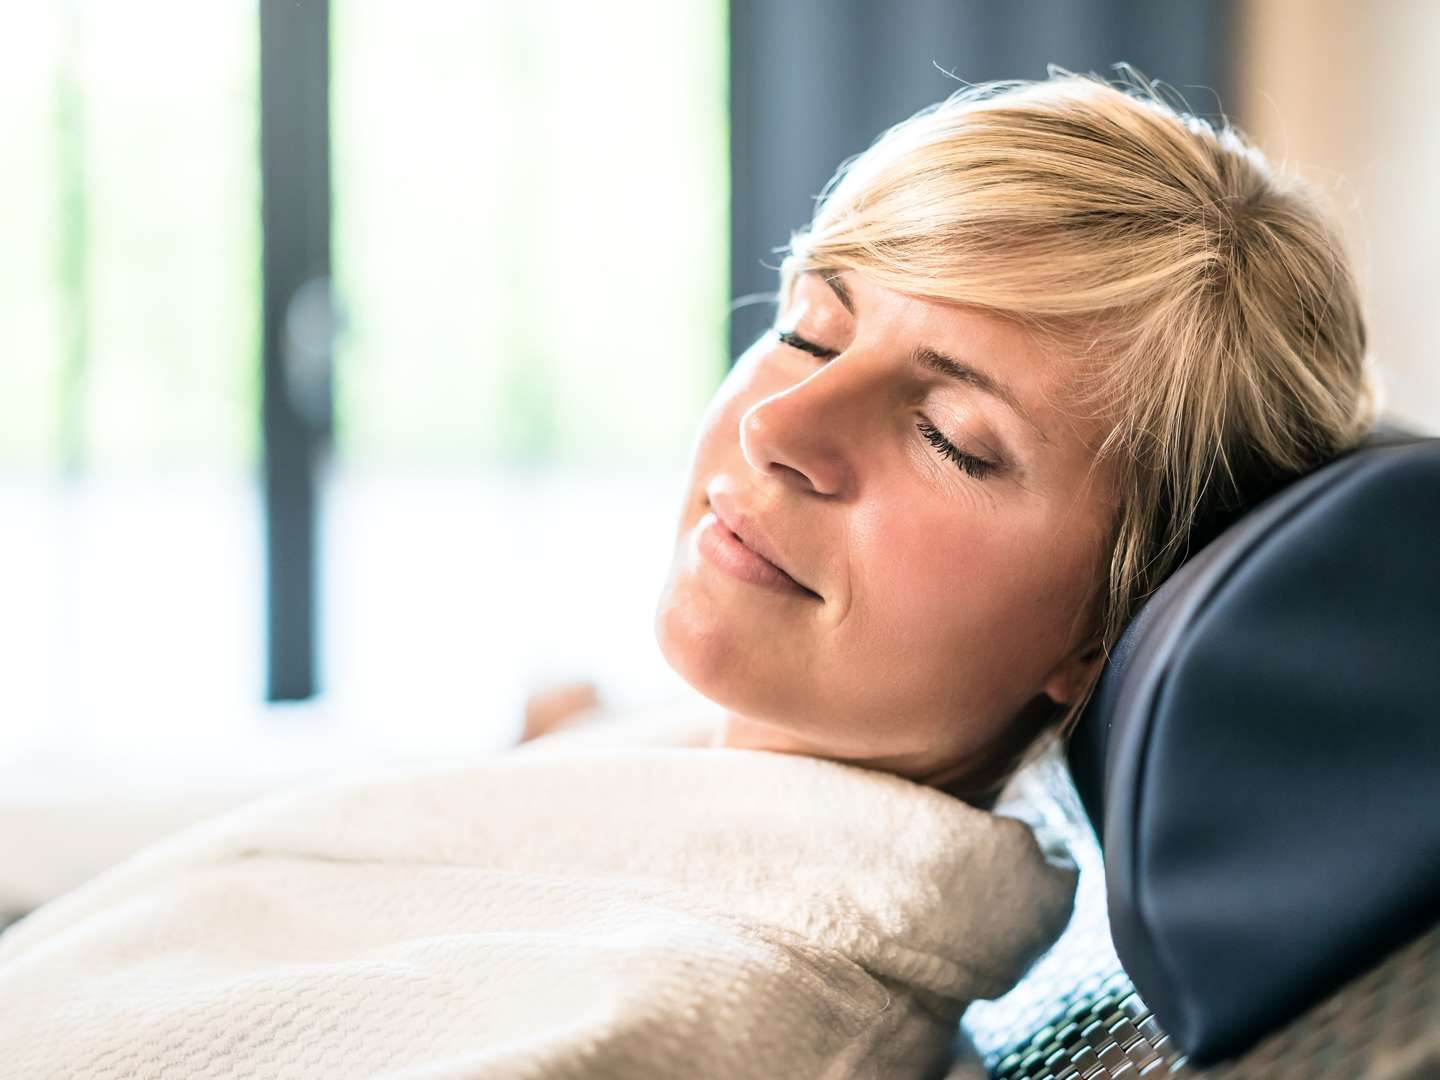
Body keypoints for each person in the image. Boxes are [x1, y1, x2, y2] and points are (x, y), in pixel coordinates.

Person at [530, 66, 1379, 811]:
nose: (772, 426)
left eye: (950, 439)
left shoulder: (670, 991)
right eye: (809, 333)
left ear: (1099, 634)